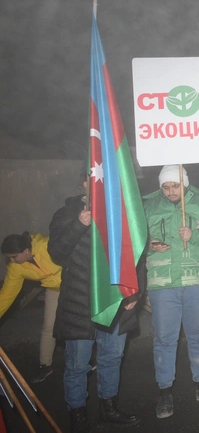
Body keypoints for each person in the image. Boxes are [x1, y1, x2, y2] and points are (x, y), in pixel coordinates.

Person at [49, 181, 142, 432]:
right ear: (83, 184)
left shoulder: (120, 211)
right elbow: (55, 252)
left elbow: (135, 254)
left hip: (115, 300)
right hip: (79, 302)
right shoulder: (67, 213)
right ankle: (77, 413)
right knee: (77, 364)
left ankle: (107, 409)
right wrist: (79, 224)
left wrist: (135, 291)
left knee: (112, 357)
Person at [143, 165, 199, 419]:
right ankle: (164, 393)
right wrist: (149, 246)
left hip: (197, 281)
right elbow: (134, 240)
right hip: (162, 284)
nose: (170, 191)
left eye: (175, 186)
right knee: (164, 339)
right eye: (165, 187)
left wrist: (195, 234)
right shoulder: (148, 206)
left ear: (186, 184)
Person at [0, 232, 61, 383]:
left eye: (14, 256)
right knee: (49, 327)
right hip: (54, 289)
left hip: (74, 283)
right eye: (9, 257)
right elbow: (6, 295)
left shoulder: (47, 246)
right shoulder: (16, 267)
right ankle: (45, 365)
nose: (11, 260)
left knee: (83, 322)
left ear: (26, 251)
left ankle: (90, 357)